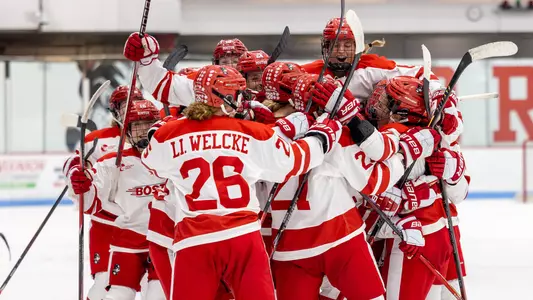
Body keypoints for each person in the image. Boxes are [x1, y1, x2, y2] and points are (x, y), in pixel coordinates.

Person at [141, 64, 342, 300]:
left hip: (194, 241)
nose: (242, 99)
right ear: (222, 96)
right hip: (242, 237)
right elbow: (292, 162)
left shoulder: (170, 134)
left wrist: (169, 129)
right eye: (237, 93)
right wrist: (321, 137)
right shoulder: (251, 132)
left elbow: (152, 163)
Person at [267, 72, 441, 300]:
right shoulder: (337, 133)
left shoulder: (267, 134)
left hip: (287, 247)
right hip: (338, 238)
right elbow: (374, 181)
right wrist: (405, 153)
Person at [357, 76, 469, 300]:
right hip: (418, 237)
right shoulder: (389, 139)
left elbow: (459, 194)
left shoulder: (439, 138)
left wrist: (451, 174)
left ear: (404, 110)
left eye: (386, 102)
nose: (375, 106)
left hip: (428, 238)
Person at [67, 100, 166, 300]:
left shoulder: (172, 158)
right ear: (127, 131)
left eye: (148, 125)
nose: (143, 131)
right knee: (117, 294)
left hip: (163, 240)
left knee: (158, 295)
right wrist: (81, 185)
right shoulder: (113, 162)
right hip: (127, 241)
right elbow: (89, 201)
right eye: (137, 126)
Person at [62, 85, 144, 300]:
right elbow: (74, 162)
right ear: (115, 111)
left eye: (135, 103)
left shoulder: (153, 134)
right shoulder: (98, 139)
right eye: (125, 105)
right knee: (105, 284)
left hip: (145, 224)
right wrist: (75, 172)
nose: (131, 109)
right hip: (106, 223)